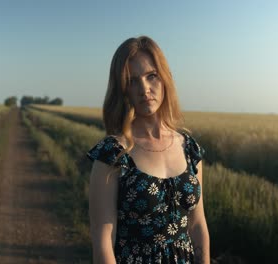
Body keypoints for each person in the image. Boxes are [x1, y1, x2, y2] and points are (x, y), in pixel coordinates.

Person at [87, 36, 210, 264]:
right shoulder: (113, 153)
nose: (144, 89)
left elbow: (197, 224)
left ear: (164, 79)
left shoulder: (190, 149)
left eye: (151, 76)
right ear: (123, 89)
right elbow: (103, 239)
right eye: (132, 81)